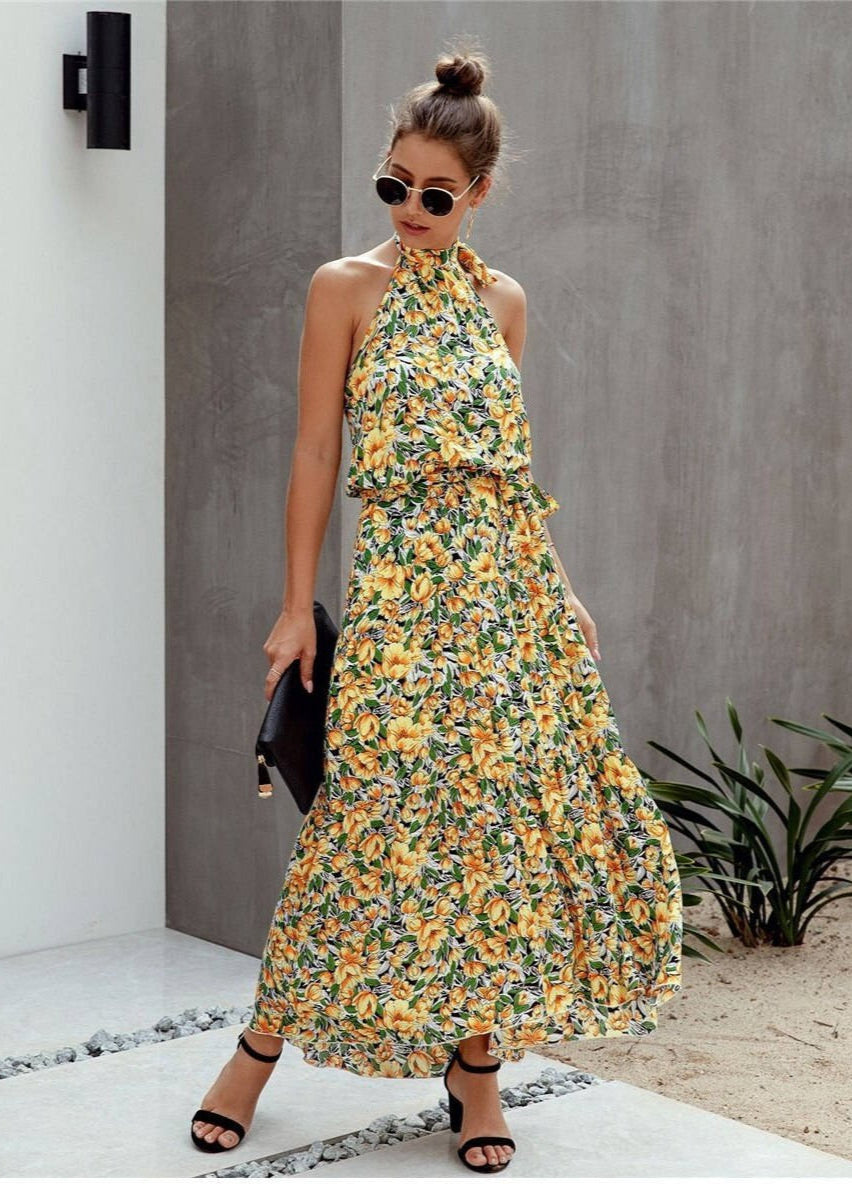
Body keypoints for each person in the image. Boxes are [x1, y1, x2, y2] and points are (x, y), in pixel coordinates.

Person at [190, 46, 683, 1174]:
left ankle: (477, 1068)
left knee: (489, 841)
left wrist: (558, 586)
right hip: (402, 601)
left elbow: (511, 472)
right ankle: (257, 1053)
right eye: (394, 184)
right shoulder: (343, 288)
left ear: (481, 194)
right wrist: (296, 606)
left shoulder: (504, 303)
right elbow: (316, 452)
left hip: (506, 603)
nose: (411, 208)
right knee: (367, 829)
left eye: (437, 194)